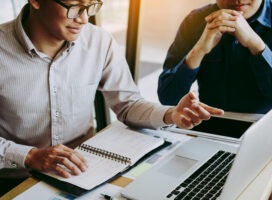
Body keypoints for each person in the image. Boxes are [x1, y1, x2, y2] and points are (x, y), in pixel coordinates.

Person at [0, 0, 225, 196]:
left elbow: (128, 105)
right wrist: (29, 156)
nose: (83, 19)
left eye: (90, 6)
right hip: (14, 181)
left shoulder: (98, 42)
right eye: (74, 7)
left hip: (83, 175)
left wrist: (171, 114)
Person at [157, 0, 272, 199]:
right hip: (206, 136)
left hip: (270, 142)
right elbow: (167, 98)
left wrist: (256, 45)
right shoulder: (195, 21)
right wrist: (199, 50)